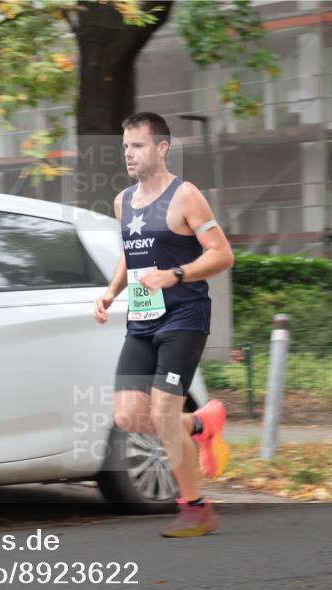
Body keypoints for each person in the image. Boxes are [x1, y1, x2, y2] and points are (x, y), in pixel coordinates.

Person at [93, 111, 234, 538]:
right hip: (142, 318)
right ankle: (202, 425)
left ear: (161, 148)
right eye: (125, 148)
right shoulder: (123, 201)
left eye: (137, 146)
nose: (129, 155)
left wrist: (176, 274)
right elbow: (130, 253)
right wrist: (111, 290)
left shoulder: (185, 196)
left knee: (163, 411)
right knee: (128, 416)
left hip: (184, 317)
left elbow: (222, 254)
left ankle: (196, 508)